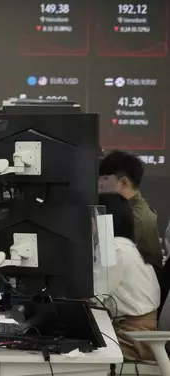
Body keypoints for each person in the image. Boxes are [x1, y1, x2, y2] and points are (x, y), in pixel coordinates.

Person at [94, 193, 160, 362]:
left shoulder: (114, 248)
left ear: (103, 220)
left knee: (80, 353)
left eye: (92, 216)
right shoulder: (125, 245)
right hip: (140, 332)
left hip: (134, 339)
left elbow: (97, 298)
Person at [98, 150, 162, 269]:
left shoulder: (135, 218)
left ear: (123, 183)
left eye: (105, 178)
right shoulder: (132, 209)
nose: (99, 184)